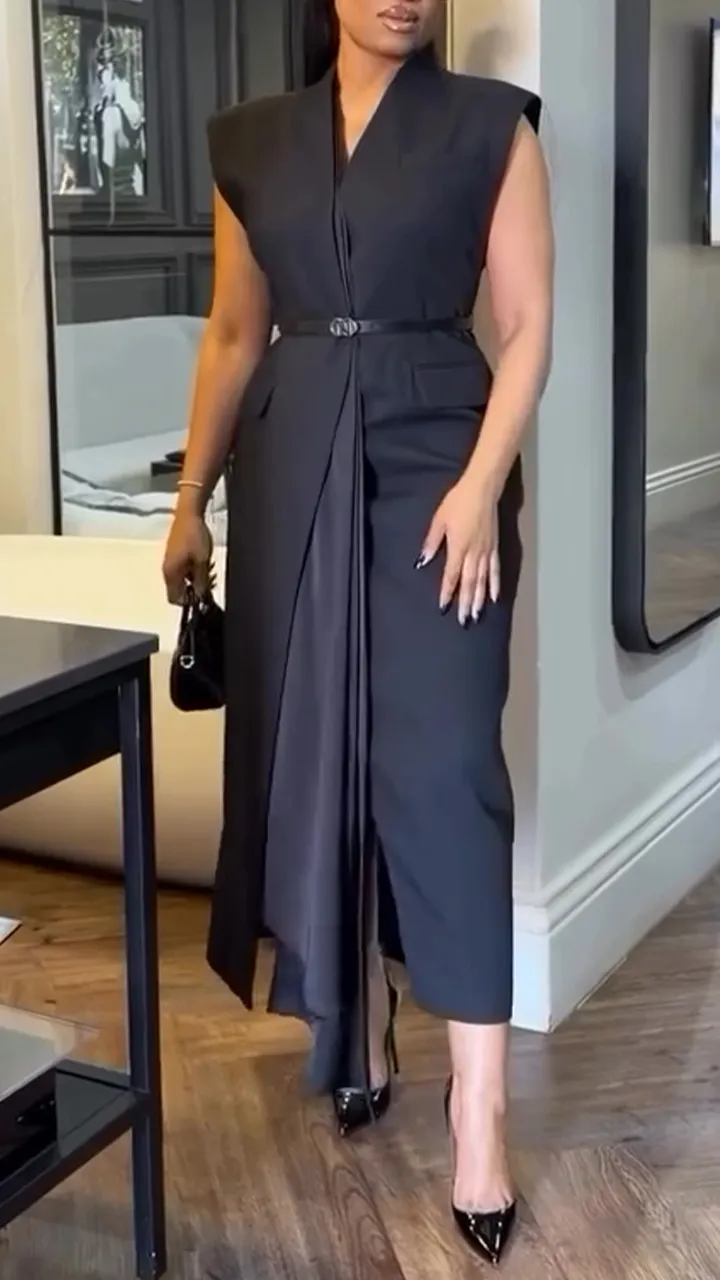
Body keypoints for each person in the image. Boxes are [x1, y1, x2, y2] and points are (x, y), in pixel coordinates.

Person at [162, 0, 553, 1265]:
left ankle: (479, 1109)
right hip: (290, 469)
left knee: (445, 770)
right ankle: (358, 1018)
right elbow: (234, 332)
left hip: (441, 458)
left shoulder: (491, 127)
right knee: (321, 759)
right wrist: (190, 502)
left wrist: (483, 483)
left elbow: (527, 325)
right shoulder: (251, 140)